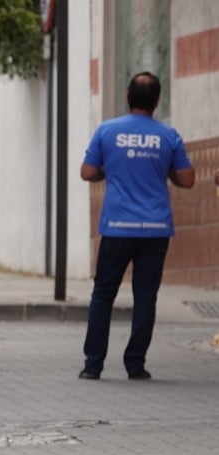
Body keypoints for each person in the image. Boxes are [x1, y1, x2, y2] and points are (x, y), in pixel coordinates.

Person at [78, 72, 195, 381]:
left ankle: (93, 365)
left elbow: (87, 172)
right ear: (157, 101)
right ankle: (135, 364)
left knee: (103, 294)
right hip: (155, 228)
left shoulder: (107, 130)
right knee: (146, 297)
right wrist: (164, 170)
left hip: (117, 226)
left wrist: (110, 170)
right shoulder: (168, 136)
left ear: (128, 96)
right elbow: (188, 179)